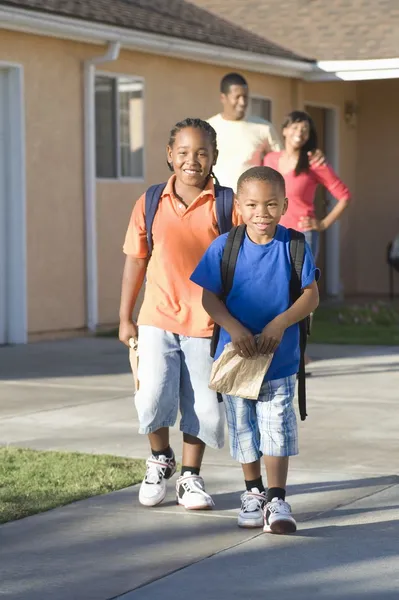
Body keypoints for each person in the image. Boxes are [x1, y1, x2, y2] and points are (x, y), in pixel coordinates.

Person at [119, 118, 240, 511]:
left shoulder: (227, 204)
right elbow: (136, 261)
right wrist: (125, 316)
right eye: (184, 152)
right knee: (152, 398)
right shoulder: (151, 201)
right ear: (170, 155)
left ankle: (190, 476)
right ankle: (160, 458)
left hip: (207, 324)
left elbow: (246, 258)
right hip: (156, 317)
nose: (193, 160)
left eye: (202, 152)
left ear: (214, 157)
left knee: (203, 408)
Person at [190, 166, 319, 533]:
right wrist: (233, 328)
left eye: (271, 204)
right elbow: (209, 297)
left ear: (284, 206)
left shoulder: (294, 245)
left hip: (279, 360)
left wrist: (280, 323)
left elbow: (311, 296)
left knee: (276, 426)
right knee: (244, 430)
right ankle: (253, 492)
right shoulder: (224, 247)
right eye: (252, 205)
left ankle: (277, 499)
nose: (261, 213)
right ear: (240, 209)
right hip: (238, 359)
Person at [207, 72, 325, 191]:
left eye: (245, 97)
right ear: (223, 98)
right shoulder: (209, 128)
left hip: (251, 202)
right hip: (217, 199)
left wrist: (312, 154)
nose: (242, 102)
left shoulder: (263, 128)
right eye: (237, 97)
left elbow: (284, 160)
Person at [264, 110, 351, 261]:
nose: (300, 132)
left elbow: (345, 196)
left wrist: (323, 224)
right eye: (296, 127)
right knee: (275, 283)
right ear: (284, 130)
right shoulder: (270, 160)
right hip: (272, 233)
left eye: (305, 129)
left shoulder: (314, 163)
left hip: (302, 235)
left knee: (301, 283)